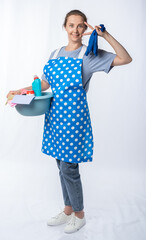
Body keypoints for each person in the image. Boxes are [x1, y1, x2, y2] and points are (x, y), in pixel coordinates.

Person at [6, 9, 132, 234]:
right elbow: (43, 86)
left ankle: (79, 214)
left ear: (85, 29)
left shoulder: (89, 55)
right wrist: (20, 90)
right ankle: (67, 210)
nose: (76, 30)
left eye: (80, 26)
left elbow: (125, 58)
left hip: (74, 121)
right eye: (71, 25)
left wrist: (106, 36)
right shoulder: (55, 55)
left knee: (69, 168)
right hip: (54, 118)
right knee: (60, 166)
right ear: (65, 27)